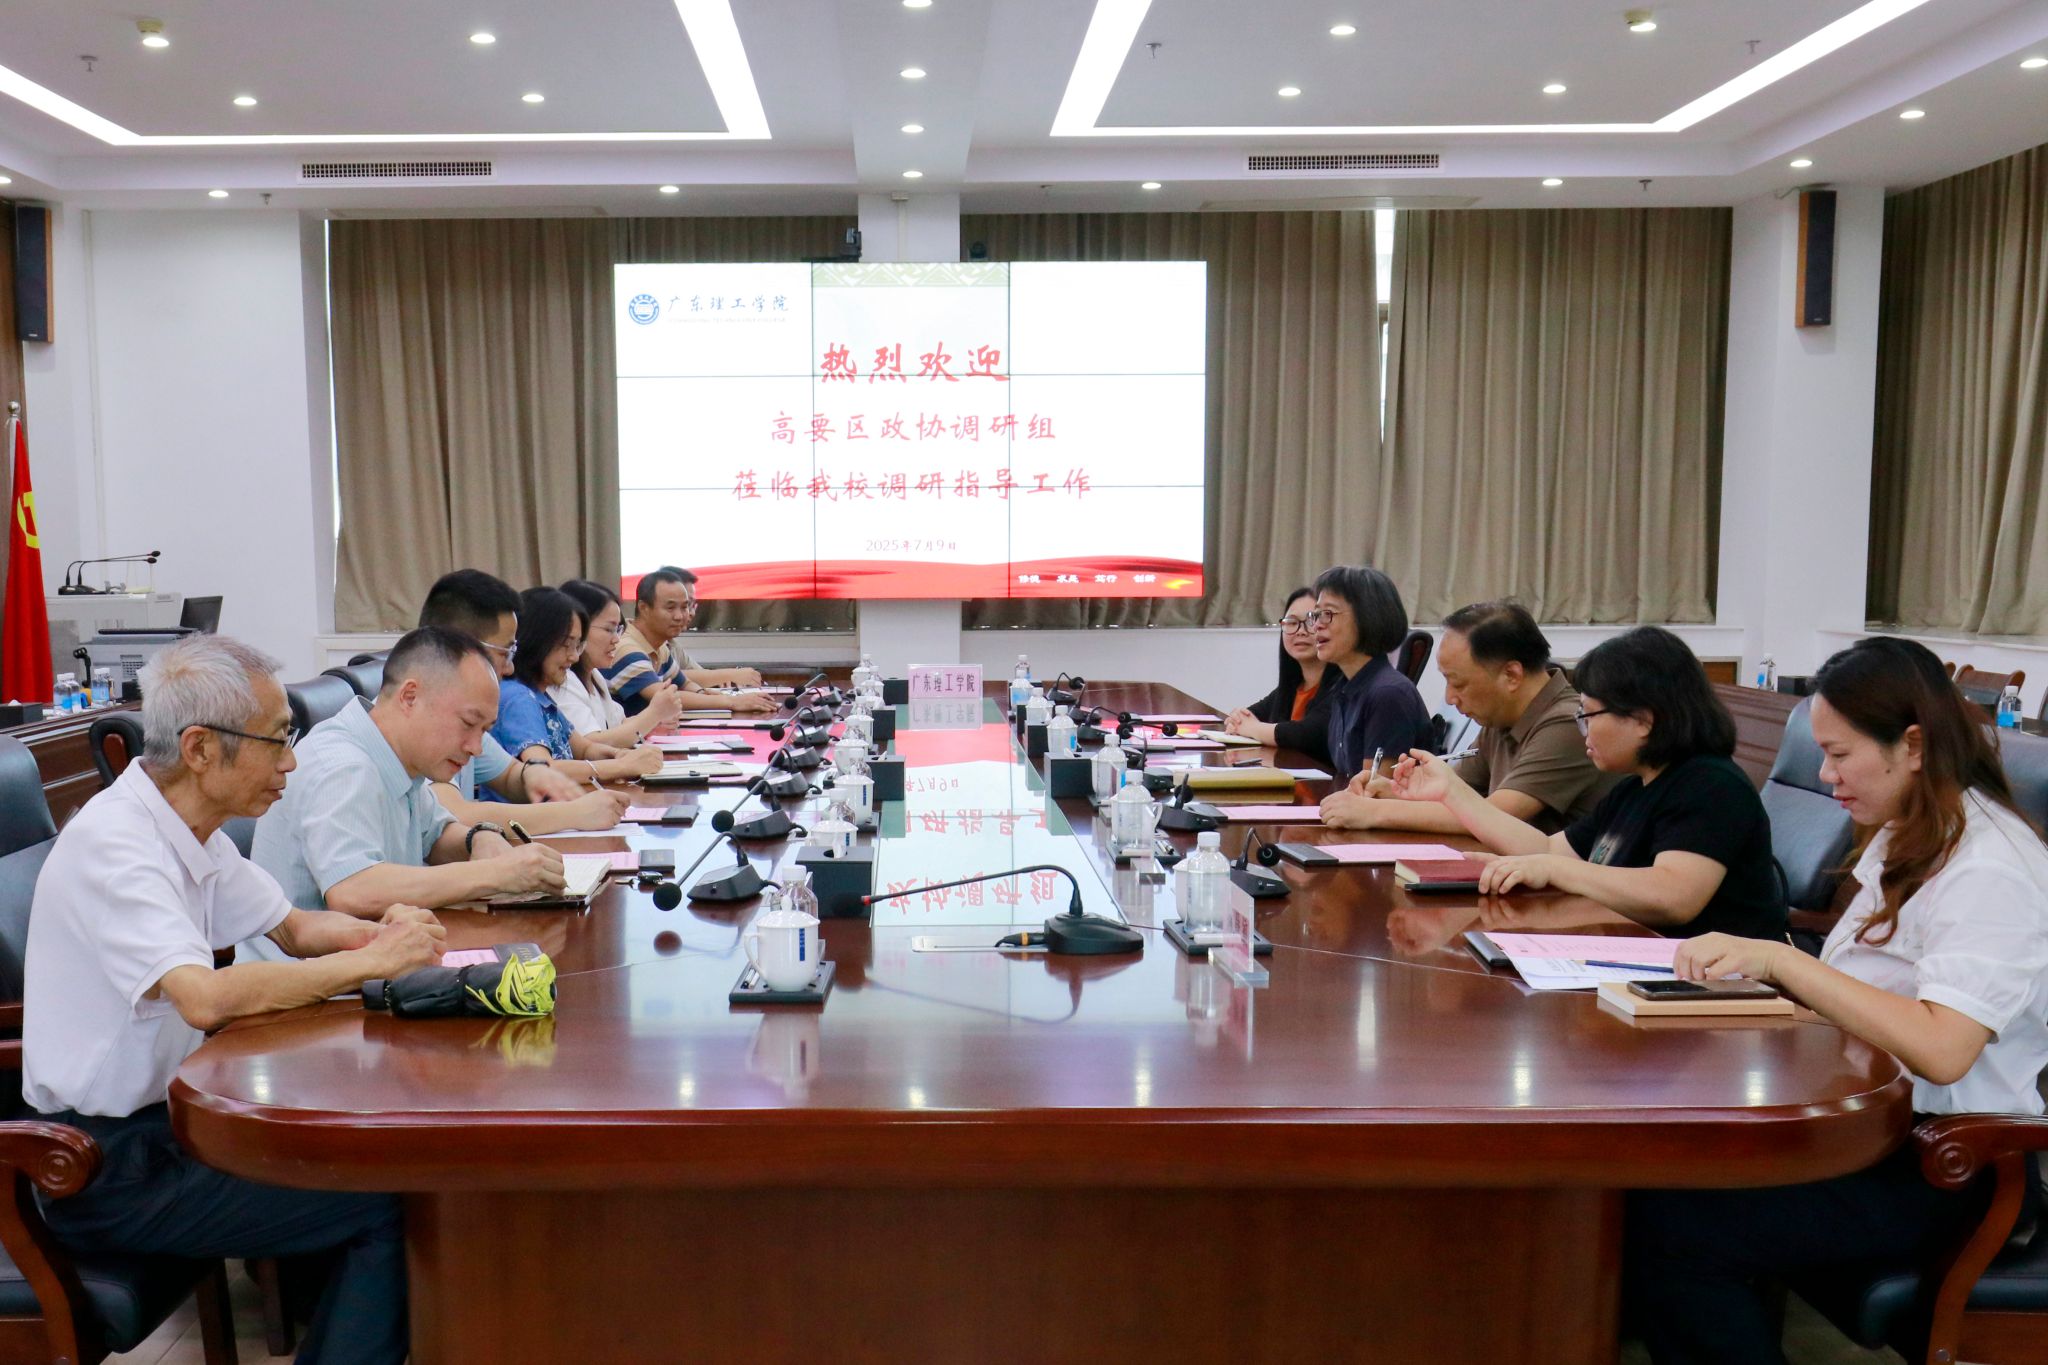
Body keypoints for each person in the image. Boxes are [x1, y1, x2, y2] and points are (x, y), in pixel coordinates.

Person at [22, 634, 443, 1365]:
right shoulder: (117, 847)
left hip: (173, 1123)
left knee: (380, 1157)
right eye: (277, 740)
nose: (291, 763)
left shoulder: (189, 828)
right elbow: (206, 999)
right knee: (394, 1205)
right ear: (200, 748)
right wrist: (373, 961)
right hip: (103, 1166)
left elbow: (295, 926)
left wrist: (384, 932)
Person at [1625, 636, 2048, 1364]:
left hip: (1945, 1165)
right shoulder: (1913, 830)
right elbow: (1863, 993)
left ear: (1912, 745)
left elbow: (1944, 1049)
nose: (1824, 776)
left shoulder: (1992, 867)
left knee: (1672, 1228)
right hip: (1867, 1125)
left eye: (1839, 754)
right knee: (1646, 1170)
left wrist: (1783, 962)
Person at [1381, 625, 1786, 940]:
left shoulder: (1710, 786)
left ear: (1644, 721)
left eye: (1588, 715)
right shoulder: (1632, 789)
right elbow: (1546, 849)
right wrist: (1452, 793)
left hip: (1717, 990)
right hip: (1637, 960)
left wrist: (1554, 870)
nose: (1583, 730)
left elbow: (1673, 896)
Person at [247, 627, 567, 960]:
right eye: (468, 723)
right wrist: (497, 874)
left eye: (484, 731)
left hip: (372, 964)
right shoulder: (343, 767)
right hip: (303, 983)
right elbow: (354, 890)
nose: (475, 747)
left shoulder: (398, 755)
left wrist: (479, 838)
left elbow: (436, 835)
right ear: (410, 697)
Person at [1320, 601, 1616, 834]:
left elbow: (1495, 817)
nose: (1449, 698)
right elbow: (1455, 797)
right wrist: (1391, 793)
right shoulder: (1500, 718)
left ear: (1511, 675)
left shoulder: (1568, 723)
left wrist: (1375, 813)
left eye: (1458, 683)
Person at [416, 569, 628, 833]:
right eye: (506, 652)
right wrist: (573, 813)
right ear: (461, 647)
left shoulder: (464, 716)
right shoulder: (423, 715)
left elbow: (509, 775)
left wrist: (536, 773)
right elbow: (454, 814)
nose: (510, 667)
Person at [493, 587, 661, 784]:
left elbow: (585, 749)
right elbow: (541, 769)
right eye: (567, 645)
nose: (574, 656)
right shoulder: (519, 698)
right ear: (536, 640)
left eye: (578, 645)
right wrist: (621, 767)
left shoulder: (540, 696)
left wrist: (620, 755)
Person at [1307, 565, 1433, 780]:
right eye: (1316, 615)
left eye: (1327, 614)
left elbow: (1375, 789)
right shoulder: (1345, 687)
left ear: (1368, 616)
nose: (1317, 625)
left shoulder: (1388, 694)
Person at [605, 566, 777, 717]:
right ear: (644, 608)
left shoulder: (660, 647)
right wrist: (732, 702)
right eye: (670, 608)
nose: (680, 616)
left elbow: (684, 683)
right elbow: (664, 697)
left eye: (685, 607)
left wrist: (706, 694)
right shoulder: (626, 647)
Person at [556, 578, 684, 745]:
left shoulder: (594, 676)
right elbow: (591, 744)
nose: (617, 639)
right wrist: (654, 714)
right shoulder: (563, 681)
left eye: (618, 629)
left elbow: (620, 724)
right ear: (577, 628)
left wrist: (655, 722)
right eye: (609, 629)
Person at [1221, 587, 1335, 762]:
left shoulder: (1341, 687)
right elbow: (1247, 716)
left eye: (1311, 620)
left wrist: (1252, 728)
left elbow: (1307, 733)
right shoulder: (1292, 687)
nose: (1300, 631)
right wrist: (1236, 720)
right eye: (1291, 622)